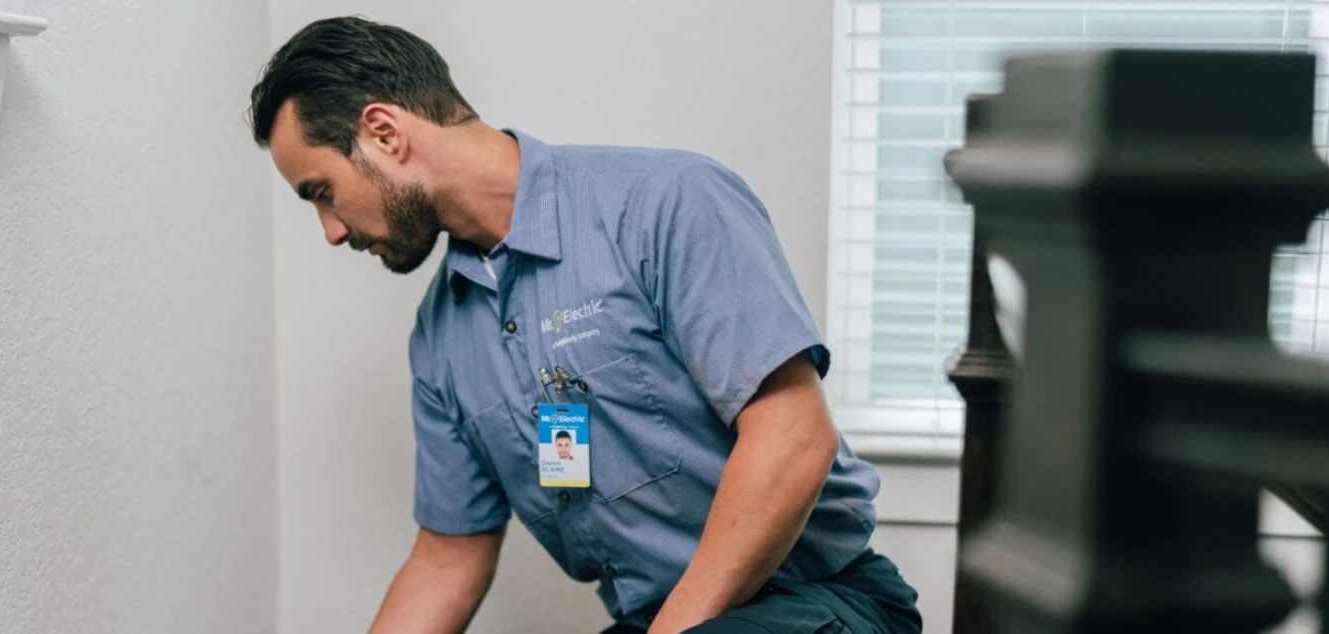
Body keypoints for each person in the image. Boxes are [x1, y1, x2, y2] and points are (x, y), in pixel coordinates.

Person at [248, 16, 922, 634]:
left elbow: (794, 438)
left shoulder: (667, 204)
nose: (331, 231)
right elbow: (447, 559)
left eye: (321, 192)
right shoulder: (440, 341)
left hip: (819, 600)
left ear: (385, 133)